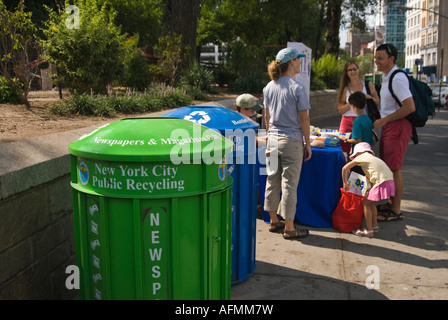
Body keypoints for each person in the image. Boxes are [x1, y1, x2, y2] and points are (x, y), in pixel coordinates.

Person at [263, 47, 312, 240]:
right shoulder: (297, 88)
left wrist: (269, 134)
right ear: (291, 62)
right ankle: (289, 227)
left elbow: (266, 116)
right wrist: (307, 143)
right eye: (298, 60)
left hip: (273, 139)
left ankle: (274, 220)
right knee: (289, 184)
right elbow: (304, 120)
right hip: (291, 141)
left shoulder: (268, 87)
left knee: (272, 179)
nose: (300, 62)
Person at [373, 43, 415, 222]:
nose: (377, 62)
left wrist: (384, 120)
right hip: (392, 126)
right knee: (389, 167)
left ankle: (395, 209)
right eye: (375, 58)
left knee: (394, 169)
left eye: (380, 59)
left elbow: (409, 106)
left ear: (391, 59)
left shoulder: (396, 78)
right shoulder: (387, 76)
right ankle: (390, 203)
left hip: (397, 126)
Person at [341, 143, 395, 238]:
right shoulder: (372, 158)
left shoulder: (362, 157)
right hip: (389, 181)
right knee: (371, 203)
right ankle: (374, 226)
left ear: (358, 152)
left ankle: (368, 230)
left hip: (381, 182)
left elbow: (345, 168)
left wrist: (345, 183)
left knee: (365, 203)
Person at [337, 61, 379, 154]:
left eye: (355, 69)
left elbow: (377, 101)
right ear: (346, 73)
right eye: (350, 70)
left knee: (363, 148)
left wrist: (368, 97)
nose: (353, 72)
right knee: (344, 149)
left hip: (362, 120)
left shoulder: (368, 85)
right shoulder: (345, 88)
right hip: (347, 121)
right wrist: (351, 102)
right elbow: (340, 109)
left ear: (358, 70)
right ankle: (346, 167)